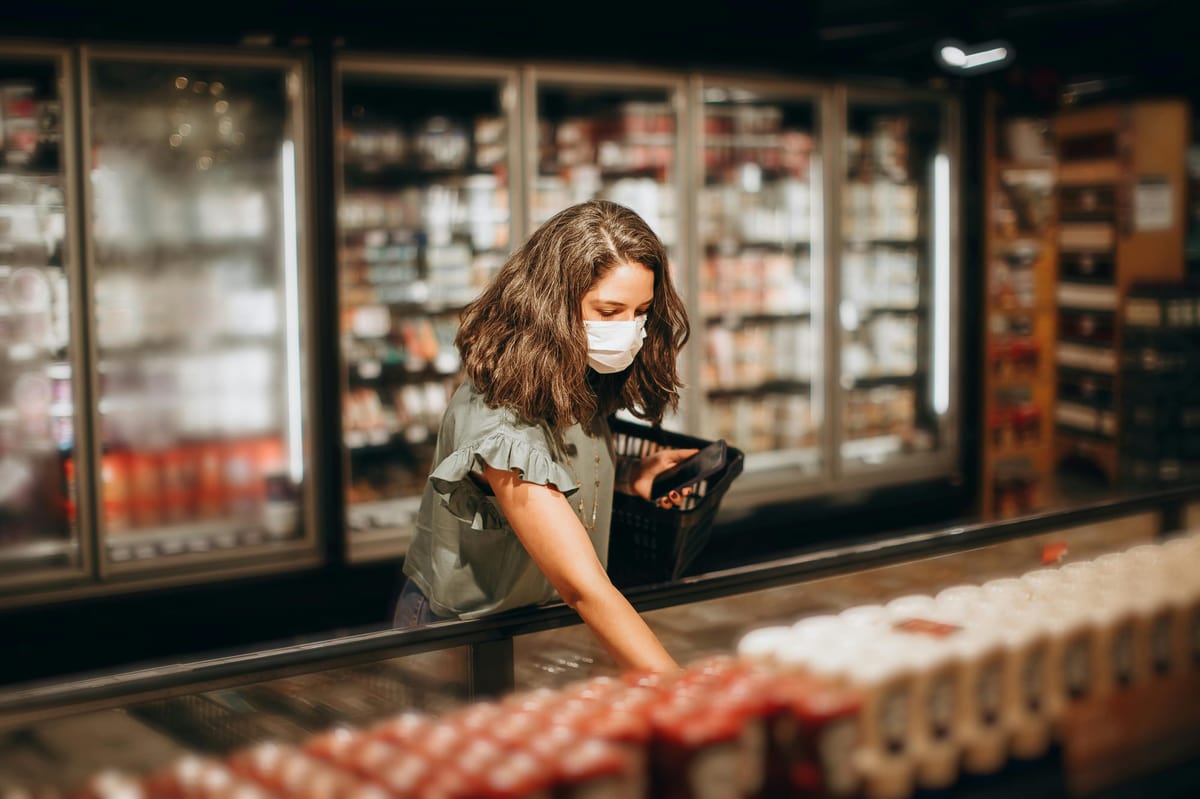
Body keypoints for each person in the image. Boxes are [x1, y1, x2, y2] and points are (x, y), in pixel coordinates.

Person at [393, 199, 695, 672]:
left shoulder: (574, 367)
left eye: (641, 311)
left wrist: (626, 478)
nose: (628, 330)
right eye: (609, 310)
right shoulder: (500, 418)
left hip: (536, 626)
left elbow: (556, 478)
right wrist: (683, 692)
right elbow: (584, 588)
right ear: (552, 304)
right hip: (466, 639)